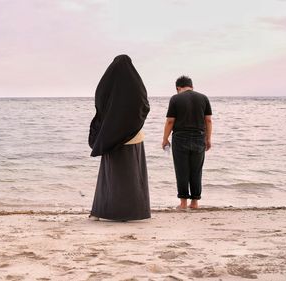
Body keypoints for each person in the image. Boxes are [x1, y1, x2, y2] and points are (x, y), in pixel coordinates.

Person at [88, 54, 151, 221]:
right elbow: (144, 106)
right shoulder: (137, 87)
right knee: (132, 175)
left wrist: (110, 125)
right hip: (133, 136)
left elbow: (100, 104)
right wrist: (131, 124)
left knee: (110, 176)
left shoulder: (105, 85)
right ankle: (133, 213)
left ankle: (105, 211)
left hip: (111, 135)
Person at [162, 76, 212, 209]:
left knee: (181, 170)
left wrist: (165, 138)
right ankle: (195, 202)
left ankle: (183, 202)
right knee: (196, 170)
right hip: (199, 137)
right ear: (192, 86)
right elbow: (208, 121)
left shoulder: (175, 98)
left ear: (178, 88)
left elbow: (170, 121)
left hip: (180, 138)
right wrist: (208, 138)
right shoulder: (203, 98)